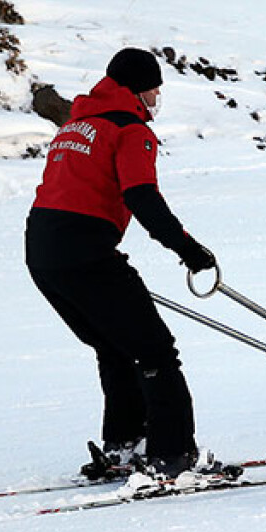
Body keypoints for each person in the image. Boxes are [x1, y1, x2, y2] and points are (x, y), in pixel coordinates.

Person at [25, 47, 224, 482]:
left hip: (42, 252)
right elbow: (141, 196)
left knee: (115, 347)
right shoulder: (130, 130)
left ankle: (124, 445)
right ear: (138, 90)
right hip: (86, 252)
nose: (156, 98)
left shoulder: (75, 125)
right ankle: (174, 456)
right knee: (155, 351)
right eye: (154, 89)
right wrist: (189, 250)